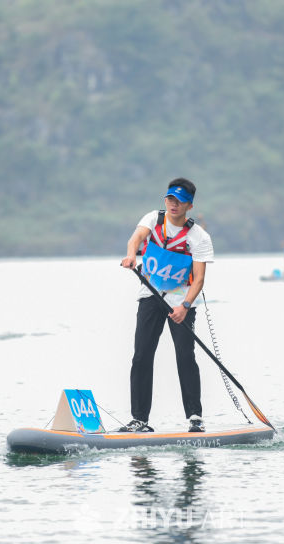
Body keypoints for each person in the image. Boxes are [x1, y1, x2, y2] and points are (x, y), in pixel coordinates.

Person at [120, 178, 214, 433]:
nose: (174, 204)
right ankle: (139, 420)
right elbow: (136, 239)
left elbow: (200, 279)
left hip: (180, 302)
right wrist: (131, 255)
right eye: (170, 199)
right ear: (165, 200)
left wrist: (185, 306)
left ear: (189, 206)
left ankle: (195, 417)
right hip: (150, 295)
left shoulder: (199, 237)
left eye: (180, 201)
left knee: (185, 356)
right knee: (141, 356)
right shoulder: (153, 219)